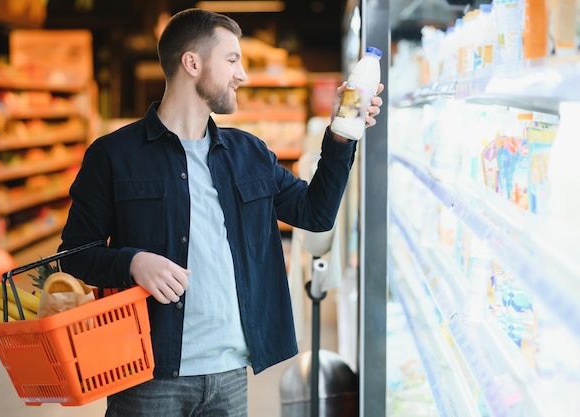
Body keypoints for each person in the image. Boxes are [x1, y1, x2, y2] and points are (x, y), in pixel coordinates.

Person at [57, 7, 384, 417]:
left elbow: (314, 214)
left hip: (229, 375)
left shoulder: (249, 153)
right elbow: (73, 255)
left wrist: (340, 135)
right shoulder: (113, 155)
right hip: (149, 375)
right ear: (191, 63)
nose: (242, 74)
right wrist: (133, 262)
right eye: (232, 59)